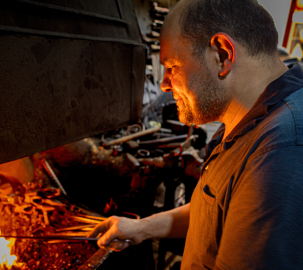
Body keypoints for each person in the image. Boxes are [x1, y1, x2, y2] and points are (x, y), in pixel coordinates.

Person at [88, 0, 303, 269]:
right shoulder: (249, 116)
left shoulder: (279, 154)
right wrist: (141, 228)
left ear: (222, 55)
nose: (165, 85)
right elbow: (216, 209)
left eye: (172, 66)